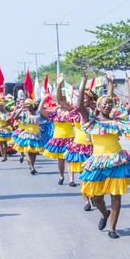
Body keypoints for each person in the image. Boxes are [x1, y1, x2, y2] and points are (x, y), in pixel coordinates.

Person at [77, 69, 130, 239]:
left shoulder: (117, 120)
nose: (107, 104)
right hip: (97, 162)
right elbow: (80, 105)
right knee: (96, 198)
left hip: (116, 161)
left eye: (110, 103)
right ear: (98, 106)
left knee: (116, 196)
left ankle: (112, 228)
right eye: (104, 102)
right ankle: (104, 213)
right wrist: (84, 82)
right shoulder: (91, 121)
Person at [55, 74, 95, 209]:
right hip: (79, 147)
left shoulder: (96, 113)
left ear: (91, 100)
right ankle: (86, 201)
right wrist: (59, 85)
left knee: (94, 176)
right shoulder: (74, 111)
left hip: (94, 148)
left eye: (85, 98)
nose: (82, 99)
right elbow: (60, 101)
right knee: (83, 176)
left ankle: (94, 195)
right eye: (81, 97)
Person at [39, 97, 75, 185]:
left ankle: (71, 179)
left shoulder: (70, 112)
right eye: (59, 101)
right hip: (58, 139)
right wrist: (44, 98)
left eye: (62, 100)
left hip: (69, 138)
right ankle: (61, 176)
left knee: (69, 160)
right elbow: (40, 110)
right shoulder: (54, 112)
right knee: (60, 160)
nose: (60, 103)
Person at [11, 99, 43, 175]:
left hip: (36, 135)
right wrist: (21, 109)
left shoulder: (37, 113)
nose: (28, 107)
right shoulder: (24, 114)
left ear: (32, 105)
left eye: (29, 105)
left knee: (34, 152)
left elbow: (44, 119)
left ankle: (33, 165)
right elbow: (15, 118)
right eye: (26, 105)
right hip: (27, 134)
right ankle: (32, 167)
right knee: (28, 152)